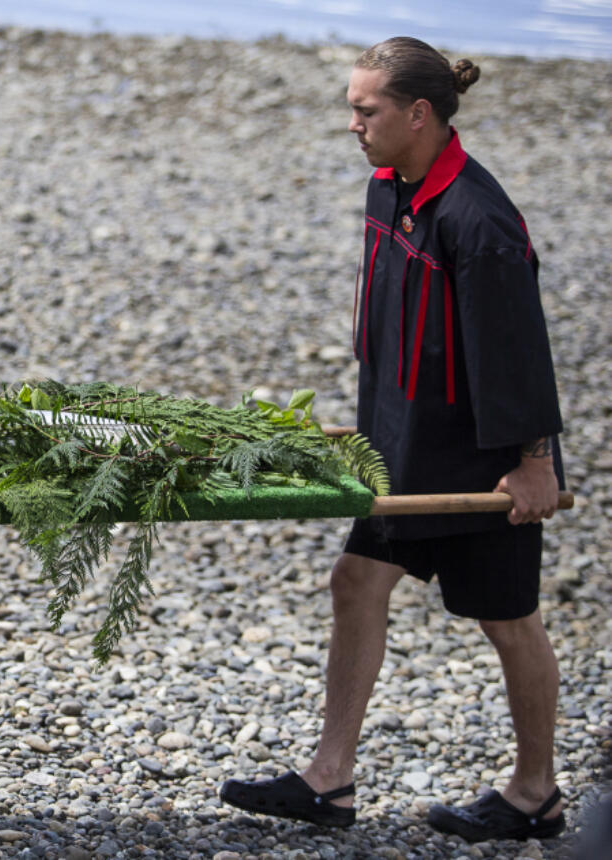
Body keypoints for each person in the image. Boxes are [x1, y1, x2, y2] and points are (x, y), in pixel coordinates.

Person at [219, 37, 566, 843]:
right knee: (355, 581)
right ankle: (328, 780)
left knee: (509, 620)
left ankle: (534, 794)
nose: (352, 124)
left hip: (483, 462)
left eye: (364, 109)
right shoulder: (391, 190)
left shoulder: (480, 223)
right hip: (402, 449)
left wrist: (533, 461)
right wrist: (370, 425)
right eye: (351, 106)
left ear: (419, 114)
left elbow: (518, 349)